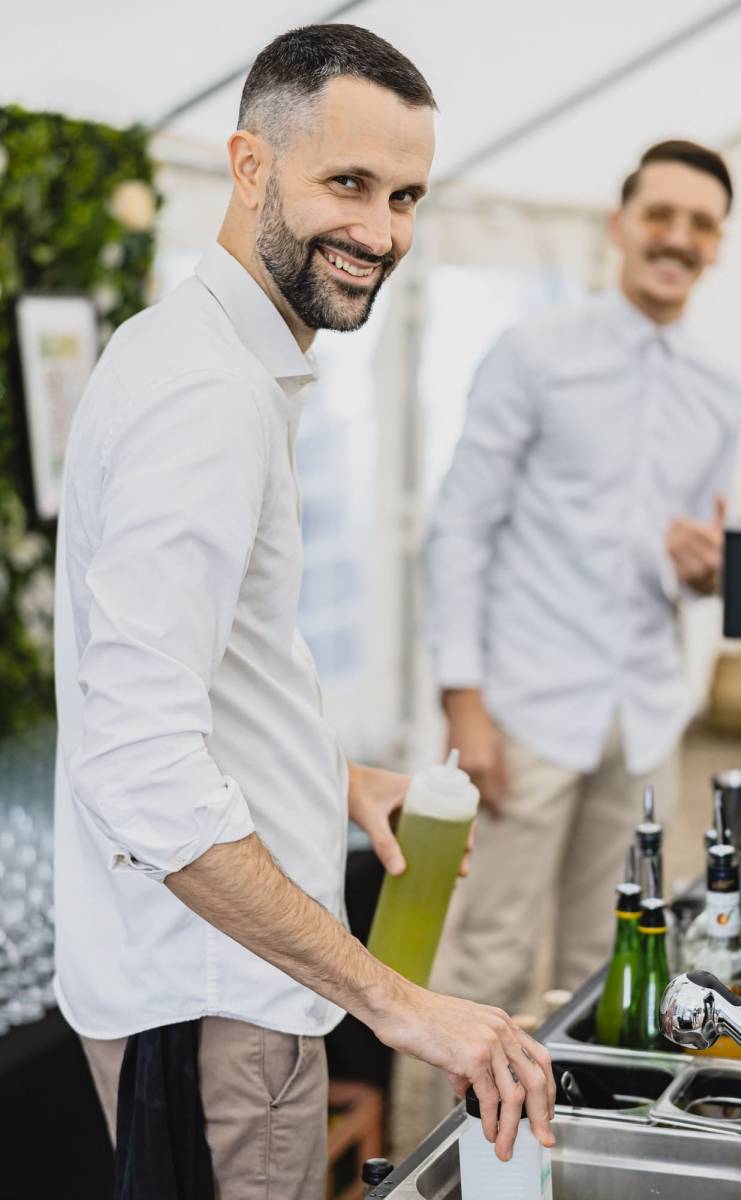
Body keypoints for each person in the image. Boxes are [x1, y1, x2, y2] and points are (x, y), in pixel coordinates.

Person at [53, 24, 555, 1200]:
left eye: (407, 196)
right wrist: (400, 1006)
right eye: (348, 183)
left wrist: (338, 780)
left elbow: (192, 680)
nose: (383, 234)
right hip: (215, 1003)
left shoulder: (199, 356)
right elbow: (140, 766)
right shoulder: (207, 400)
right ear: (247, 167)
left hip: (206, 990)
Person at [424, 140, 741, 1016]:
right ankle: (454, 1150)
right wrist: (463, 701)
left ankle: (572, 1142)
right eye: (660, 216)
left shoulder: (721, 393)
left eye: (700, 225)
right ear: (620, 225)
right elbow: (459, 526)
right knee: (488, 954)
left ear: (717, 244)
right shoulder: (533, 351)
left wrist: (709, 573)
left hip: (643, 715)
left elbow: (692, 568)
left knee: (609, 961)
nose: (677, 238)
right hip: (524, 706)